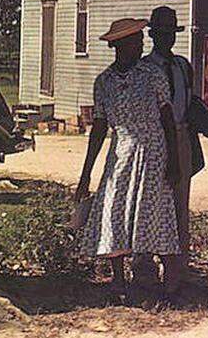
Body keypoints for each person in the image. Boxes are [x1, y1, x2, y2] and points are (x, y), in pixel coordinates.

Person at [75, 18, 181, 300]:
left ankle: (170, 275)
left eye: (141, 40)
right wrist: (86, 174)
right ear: (120, 45)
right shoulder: (104, 82)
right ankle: (118, 279)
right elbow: (99, 128)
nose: (142, 44)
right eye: (136, 41)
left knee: (157, 210)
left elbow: (167, 118)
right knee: (114, 211)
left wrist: (174, 160)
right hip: (120, 152)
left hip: (153, 151)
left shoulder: (152, 74)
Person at [141, 6, 198, 286]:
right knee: (149, 203)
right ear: (152, 36)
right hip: (152, 140)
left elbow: (189, 105)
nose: (167, 40)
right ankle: (144, 268)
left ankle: (177, 272)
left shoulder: (182, 66)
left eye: (171, 34)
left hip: (181, 135)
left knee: (178, 206)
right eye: (161, 34)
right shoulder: (144, 69)